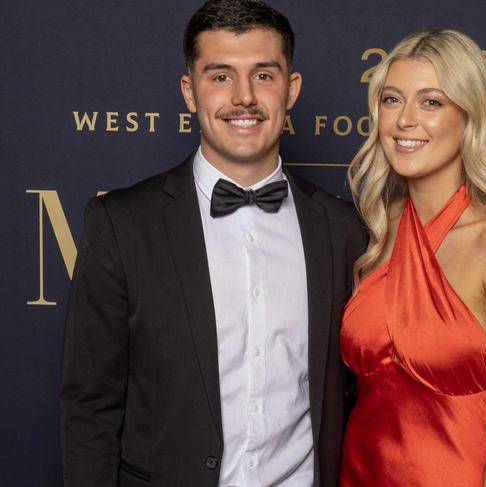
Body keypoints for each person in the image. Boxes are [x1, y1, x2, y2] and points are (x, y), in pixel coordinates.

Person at [59, 1, 365, 486]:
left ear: (292, 89)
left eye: (264, 75)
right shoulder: (121, 223)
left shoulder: (341, 228)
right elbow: (90, 406)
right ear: (189, 91)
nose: (243, 97)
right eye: (220, 76)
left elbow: (356, 398)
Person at [340, 29, 486, 486]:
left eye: (431, 103)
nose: (405, 121)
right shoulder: (375, 227)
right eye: (392, 100)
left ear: (470, 116)